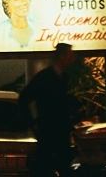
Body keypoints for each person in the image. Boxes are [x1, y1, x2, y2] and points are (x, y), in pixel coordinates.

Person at [19, 43, 78, 177]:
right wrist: (32, 123)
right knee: (45, 167)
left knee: (62, 166)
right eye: (70, 55)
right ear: (62, 57)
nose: (73, 58)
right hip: (48, 130)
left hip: (60, 131)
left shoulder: (64, 78)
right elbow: (24, 98)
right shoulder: (45, 78)